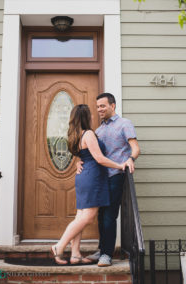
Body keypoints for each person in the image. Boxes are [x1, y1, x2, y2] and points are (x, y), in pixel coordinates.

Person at [50, 104, 127, 265]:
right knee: (88, 217)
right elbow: (99, 158)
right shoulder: (89, 134)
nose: (93, 116)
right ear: (86, 117)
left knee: (81, 216)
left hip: (84, 177)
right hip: (93, 177)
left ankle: (76, 254)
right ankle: (59, 245)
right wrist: (120, 165)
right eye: (90, 114)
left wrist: (80, 162)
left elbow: (84, 155)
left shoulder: (75, 135)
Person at [77, 93, 140, 267]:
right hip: (99, 179)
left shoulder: (124, 124)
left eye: (103, 106)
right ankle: (102, 249)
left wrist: (130, 159)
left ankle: (106, 254)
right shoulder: (98, 130)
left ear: (113, 106)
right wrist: (78, 161)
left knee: (109, 216)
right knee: (100, 216)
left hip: (115, 176)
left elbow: (135, 148)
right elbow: (90, 152)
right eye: (97, 107)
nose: (99, 110)